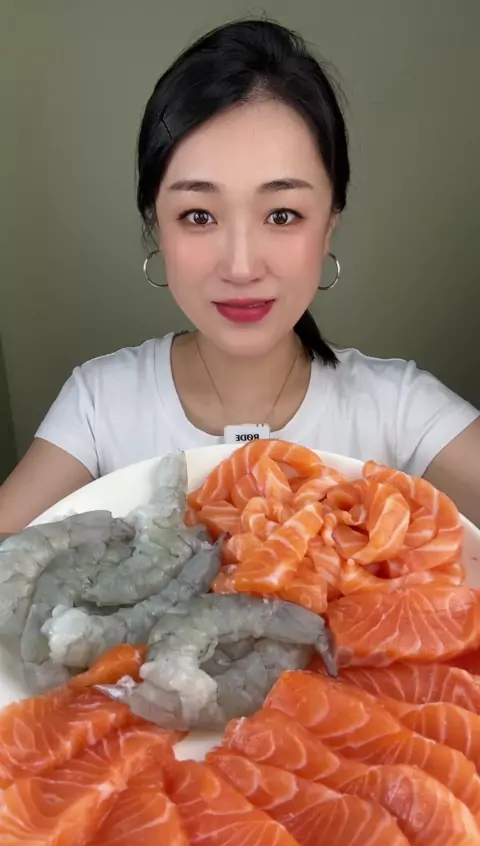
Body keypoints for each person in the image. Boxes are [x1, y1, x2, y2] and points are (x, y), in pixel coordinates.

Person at [0, 17, 478, 534]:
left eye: (282, 215)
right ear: (157, 225)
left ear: (329, 225)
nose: (242, 267)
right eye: (198, 216)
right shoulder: (99, 404)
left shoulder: (401, 409)